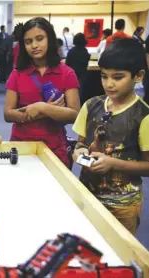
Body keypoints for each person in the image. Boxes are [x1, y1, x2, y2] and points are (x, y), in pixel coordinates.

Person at [72, 38, 149, 234]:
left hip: (123, 205)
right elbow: (80, 144)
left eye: (118, 77)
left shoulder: (143, 116)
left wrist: (112, 163)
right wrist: (79, 153)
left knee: (119, 255)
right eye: (104, 76)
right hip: (87, 194)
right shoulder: (91, 105)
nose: (109, 84)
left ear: (138, 76)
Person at [3, 17, 80, 168]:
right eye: (28, 41)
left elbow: (74, 115)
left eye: (40, 39)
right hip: (22, 146)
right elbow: (8, 114)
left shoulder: (67, 73)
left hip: (54, 147)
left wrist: (42, 107)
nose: (34, 45)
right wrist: (48, 110)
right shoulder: (17, 74)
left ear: (50, 39)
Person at [66, 33, 91, 104]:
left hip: (72, 75)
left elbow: (67, 63)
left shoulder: (71, 51)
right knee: (81, 93)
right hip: (83, 75)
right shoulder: (85, 51)